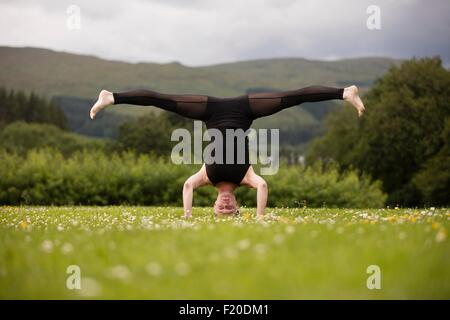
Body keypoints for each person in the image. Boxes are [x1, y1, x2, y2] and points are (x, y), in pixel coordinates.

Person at [90, 85, 365, 217]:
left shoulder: (205, 178)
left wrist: (187, 216)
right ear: (236, 206)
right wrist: (259, 218)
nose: (224, 205)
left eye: (220, 208)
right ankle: (345, 93)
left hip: (210, 111)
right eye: (229, 209)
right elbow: (263, 186)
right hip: (245, 111)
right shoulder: (246, 178)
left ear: (213, 205)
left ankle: (111, 97)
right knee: (292, 99)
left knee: (166, 101)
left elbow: (187, 185)